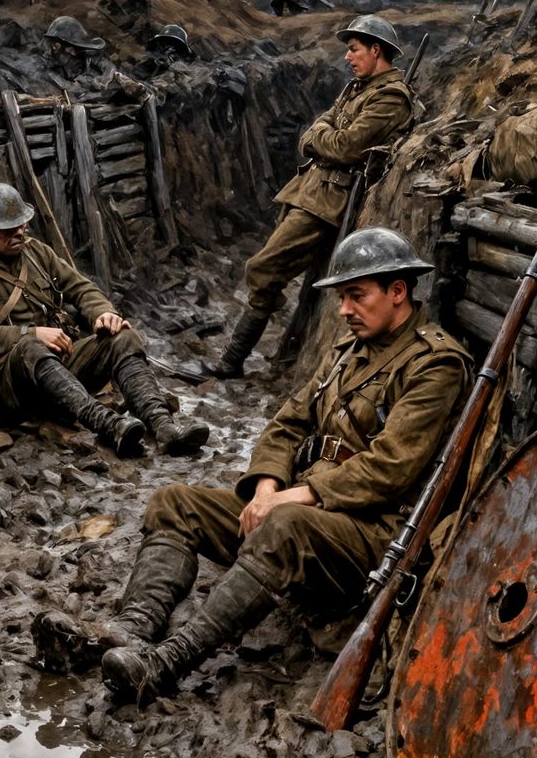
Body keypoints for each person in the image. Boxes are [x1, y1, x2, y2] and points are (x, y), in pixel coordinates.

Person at [33, 228, 471, 703]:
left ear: (398, 292)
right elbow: (287, 424)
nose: (344, 310)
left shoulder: (436, 364)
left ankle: (167, 663)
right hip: (308, 513)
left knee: (282, 526)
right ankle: (130, 630)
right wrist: (266, 489)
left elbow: (390, 468)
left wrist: (286, 499)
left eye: (356, 296)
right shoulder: (350, 352)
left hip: (375, 535)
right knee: (175, 502)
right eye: (342, 297)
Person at [0, 183, 211, 458]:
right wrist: (31, 334)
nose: (19, 232)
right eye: (8, 229)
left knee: (123, 337)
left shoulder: (36, 253)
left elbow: (81, 288)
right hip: (8, 384)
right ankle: (108, 425)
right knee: (30, 349)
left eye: (22, 224)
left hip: (58, 368)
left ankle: (164, 428)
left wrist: (103, 313)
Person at [209, 14, 415, 378]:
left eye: (353, 50)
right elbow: (318, 128)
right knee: (269, 269)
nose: (348, 58)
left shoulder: (391, 97)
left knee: (263, 268)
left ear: (376, 50)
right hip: (312, 192)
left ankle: (231, 361)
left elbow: (346, 146)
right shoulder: (357, 88)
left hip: (328, 204)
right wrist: (322, 135)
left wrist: (321, 137)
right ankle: (241, 357)